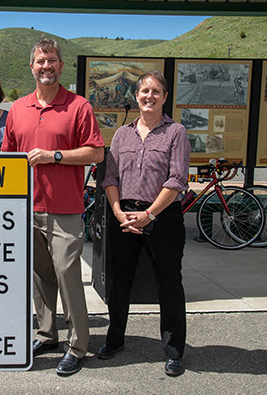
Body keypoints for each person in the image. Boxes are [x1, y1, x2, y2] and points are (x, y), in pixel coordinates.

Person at [2, 38, 104, 376]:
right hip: (27, 208)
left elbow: (95, 152)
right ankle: (47, 334)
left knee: (67, 275)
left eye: (52, 61)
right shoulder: (17, 109)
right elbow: (7, 158)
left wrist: (55, 156)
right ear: (31, 67)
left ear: (61, 66)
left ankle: (78, 345)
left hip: (65, 210)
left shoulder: (78, 106)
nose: (46, 66)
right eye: (40, 61)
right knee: (40, 276)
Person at [99, 71, 191, 377]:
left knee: (169, 283)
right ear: (136, 96)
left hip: (162, 218)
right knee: (119, 281)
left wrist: (150, 214)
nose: (149, 96)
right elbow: (110, 178)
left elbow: (176, 179)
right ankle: (115, 340)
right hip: (123, 217)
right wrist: (117, 211)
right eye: (144, 91)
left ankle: (174, 350)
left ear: (165, 97)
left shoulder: (175, 132)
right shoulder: (122, 135)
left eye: (155, 92)